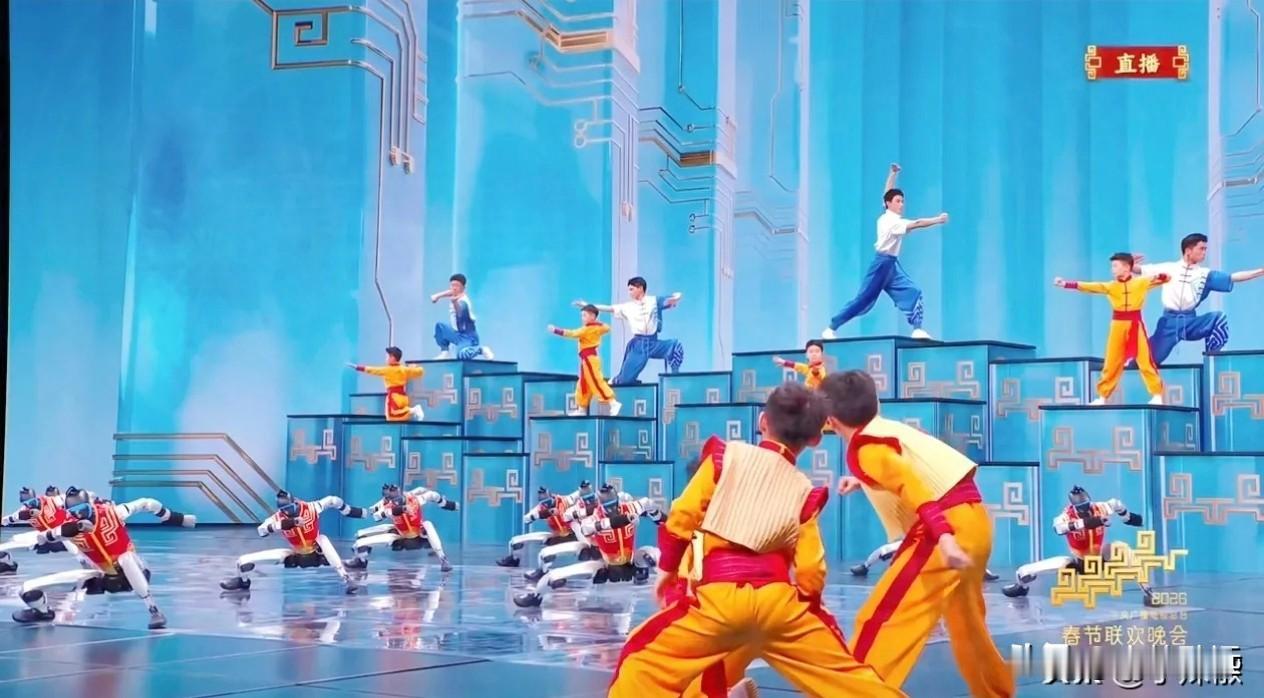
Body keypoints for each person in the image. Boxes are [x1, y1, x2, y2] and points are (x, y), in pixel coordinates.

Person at [608, 382, 904, 698]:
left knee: (640, 662)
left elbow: (682, 517)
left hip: (719, 601)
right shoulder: (804, 491)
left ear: (763, 421)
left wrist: (667, 571)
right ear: (816, 439)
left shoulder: (725, 457)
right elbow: (811, 571)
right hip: (780, 605)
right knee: (852, 682)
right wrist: (807, 611)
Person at [822, 370, 1014, 697]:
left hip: (946, 528)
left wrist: (944, 537)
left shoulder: (867, 449)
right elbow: (907, 469)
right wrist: (864, 481)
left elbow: (912, 485)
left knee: (882, 619)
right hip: (975, 521)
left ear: (830, 420)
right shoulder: (886, 430)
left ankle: (850, 693)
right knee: (966, 624)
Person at [12, 488, 182, 629]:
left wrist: (169, 516)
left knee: (126, 558)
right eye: (73, 512)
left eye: (82, 509)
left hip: (133, 570)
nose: (79, 514)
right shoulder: (69, 527)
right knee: (27, 590)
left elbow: (146, 503)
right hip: (100, 576)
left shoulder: (113, 513)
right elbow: (46, 536)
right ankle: (42, 612)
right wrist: (51, 535)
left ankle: (154, 610)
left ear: (90, 505)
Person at [823, 164, 946, 341]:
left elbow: (887, 192)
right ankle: (832, 327)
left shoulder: (891, 215)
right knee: (864, 300)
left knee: (914, 291)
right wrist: (938, 220)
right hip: (881, 264)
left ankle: (917, 329)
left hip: (892, 265)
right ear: (889, 204)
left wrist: (892, 174)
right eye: (898, 201)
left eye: (902, 201)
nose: (901, 204)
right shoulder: (891, 222)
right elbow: (918, 223)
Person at [513, 483, 664, 608]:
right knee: (552, 576)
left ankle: (666, 583)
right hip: (606, 565)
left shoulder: (630, 508)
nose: (612, 510)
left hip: (631, 561)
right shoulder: (592, 519)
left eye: (614, 505)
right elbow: (586, 528)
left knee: (653, 554)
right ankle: (535, 596)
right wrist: (622, 520)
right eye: (608, 506)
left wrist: (661, 520)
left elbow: (647, 504)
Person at [1002, 486, 1157, 606]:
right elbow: (1058, 528)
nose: (1085, 509)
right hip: (1078, 564)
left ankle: (1148, 593)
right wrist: (1085, 523)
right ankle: (1021, 587)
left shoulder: (1101, 508)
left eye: (1086, 505)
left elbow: (1116, 505)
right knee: (1026, 570)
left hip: (1100, 559)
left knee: (1122, 548)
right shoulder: (1066, 516)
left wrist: (1128, 517)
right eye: (1080, 507)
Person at [1054, 253, 1169, 405]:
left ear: (1127, 267)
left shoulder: (1141, 283)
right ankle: (1102, 396)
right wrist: (1065, 284)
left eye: (1115, 266)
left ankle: (1157, 394)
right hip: (1117, 325)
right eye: (1112, 266)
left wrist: (1159, 275)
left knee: (1145, 360)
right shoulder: (1111, 286)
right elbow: (1090, 287)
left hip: (1136, 324)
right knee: (1112, 361)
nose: (1112, 269)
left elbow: (1165, 278)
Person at [1132, 233, 1264, 364]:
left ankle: (1213, 360)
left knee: (1218, 319)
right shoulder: (1168, 268)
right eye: (1201, 248)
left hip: (1191, 322)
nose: (1204, 252)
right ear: (1188, 250)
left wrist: (1260, 271)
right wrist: (1128, 262)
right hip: (1169, 323)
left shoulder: (1205, 274)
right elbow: (1137, 269)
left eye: (1205, 249)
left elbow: (1233, 277)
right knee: (1147, 360)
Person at [219, 490, 365, 595]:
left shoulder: (311, 508)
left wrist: (350, 510)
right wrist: (283, 524)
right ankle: (243, 581)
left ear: (295, 503)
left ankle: (346, 578)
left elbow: (332, 500)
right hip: (295, 556)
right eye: (284, 510)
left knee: (323, 539)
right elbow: (261, 530)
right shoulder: (278, 518)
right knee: (242, 561)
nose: (288, 512)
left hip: (318, 552)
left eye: (290, 508)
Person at [574, 277, 683, 385]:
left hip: (653, 343)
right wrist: (587, 306)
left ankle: (675, 378)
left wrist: (676, 297)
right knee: (625, 380)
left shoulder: (654, 301)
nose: (629, 292)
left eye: (631, 289)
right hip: (639, 345)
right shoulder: (627, 307)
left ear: (640, 288)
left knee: (675, 346)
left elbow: (668, 301)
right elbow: (609, 308)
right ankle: (615, 381)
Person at [346, 484, 458, 572]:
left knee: (428, 524)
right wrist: (398, 510)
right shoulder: (387, 506)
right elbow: (377, 516)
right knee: (359, 539)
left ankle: (443, 559)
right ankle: (361, 560)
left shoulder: (415, 499)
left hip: (418, 534)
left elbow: (432, 495)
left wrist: (447, 504)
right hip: (399, 535)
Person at [549, 304, 623, 416]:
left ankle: (613, 402)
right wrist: (596, 323)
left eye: (584, 315)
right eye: (582, 315)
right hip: (587, 359)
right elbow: (606, 327)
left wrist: (556, 330)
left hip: (590, 359)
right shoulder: (597, 327)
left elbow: (572, 333)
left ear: (592, 316)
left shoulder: (587, 329)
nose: (582, 318)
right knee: (583, 383)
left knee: (596, 381)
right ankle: (582, 408)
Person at [348, 347, 425, 421]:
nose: (386, 358)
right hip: (403, 397)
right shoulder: (404, 369)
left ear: (392, 357)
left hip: (394, 397)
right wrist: (414, 366)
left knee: (391, 416)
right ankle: (412, 411)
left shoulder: (387, 370)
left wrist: (357, 367)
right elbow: (420, 371)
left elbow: (372, 370)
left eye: (387, 356)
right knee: (397, 416)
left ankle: (412, 410)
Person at [430, 273, 494, 360]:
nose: (454, 288)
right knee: (440, 327)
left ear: (463, 288)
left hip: (468, 337)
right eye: (452, 285)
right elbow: (450, 292)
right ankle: (445, 352)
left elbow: (459, 313)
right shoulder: (454, 293)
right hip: (456, 333)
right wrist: (437, 296)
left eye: (457, 286)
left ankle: (481, 349)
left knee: (462, 355)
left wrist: (454, 303)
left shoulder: (464, 302)